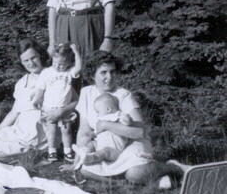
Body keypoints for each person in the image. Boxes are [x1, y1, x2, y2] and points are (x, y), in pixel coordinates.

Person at [61, 51, 183, 186]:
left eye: (112, 72)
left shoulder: (124, 95)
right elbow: (84, 132)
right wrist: (76, 162)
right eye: (103, 72)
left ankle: (172, 167)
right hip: (107, 146)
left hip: (132, 144)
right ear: (92, 75)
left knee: (135, 173)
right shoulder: (86, 93)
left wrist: (107, 125)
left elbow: (139, 132)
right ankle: (127, 183)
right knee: (84, 169)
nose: (109, 77)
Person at [0, 39, 48, 156]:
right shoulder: (22, 83)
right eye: (26, 60)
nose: (31, 63)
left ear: (40, 55)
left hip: (38, 130)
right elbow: (14, 113)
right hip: (20, 128)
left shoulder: (52, 77)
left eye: (33, 58)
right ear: (21, 62)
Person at [31, 43, 82, 162]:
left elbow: (79, 67)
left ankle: (68, 151)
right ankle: (52, 151)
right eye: (55, 63)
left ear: (68, 63)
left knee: (66, 130)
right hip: (49, 108)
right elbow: (40, 88)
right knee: (51, 130)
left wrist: (76, 51)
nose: (57, 66)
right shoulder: (47, 72)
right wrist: (37, 99)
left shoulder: (69, 72)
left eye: (61, 64)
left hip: (64, 108)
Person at [72, 93, 131, 168]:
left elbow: (127, 123)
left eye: (98, 111)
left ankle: (90, 158)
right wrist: (91, 134)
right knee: (92, 144)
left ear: (108, 109)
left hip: (114, 151)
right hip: (100, 145)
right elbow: (98, 133)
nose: (97, 114)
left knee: (104, 151)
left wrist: (125, 118)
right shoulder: (101, 121)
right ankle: (84, 152)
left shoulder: (117, 115)